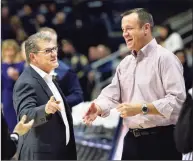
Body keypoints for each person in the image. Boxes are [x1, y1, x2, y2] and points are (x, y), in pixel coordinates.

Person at [83, 8, 186, 160]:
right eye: (123, 29)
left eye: (129, 28)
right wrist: (98, 107)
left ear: (146, 28)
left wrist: (142, 108)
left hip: (162, 140)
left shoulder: (166, 59)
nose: (124, 34)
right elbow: (111, 95)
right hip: (132, 140)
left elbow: (178, 101)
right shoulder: (125, 64)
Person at [13, 32, 77, 160]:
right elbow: (25, 116)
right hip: (42, 155)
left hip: (60, 152)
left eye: (54, 49)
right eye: (47, 51)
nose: (54, 54)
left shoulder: (47, 77)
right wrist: (45, 110)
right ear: (33, 57)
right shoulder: (26, 82)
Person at [1, 39, 25, 132]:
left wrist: (17, 78)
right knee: (9, 126)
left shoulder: (21, 65)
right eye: (7, 50)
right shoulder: (1, 67)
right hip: (6, 98)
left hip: (19, 97)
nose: (10, 53)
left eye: (12, 50)